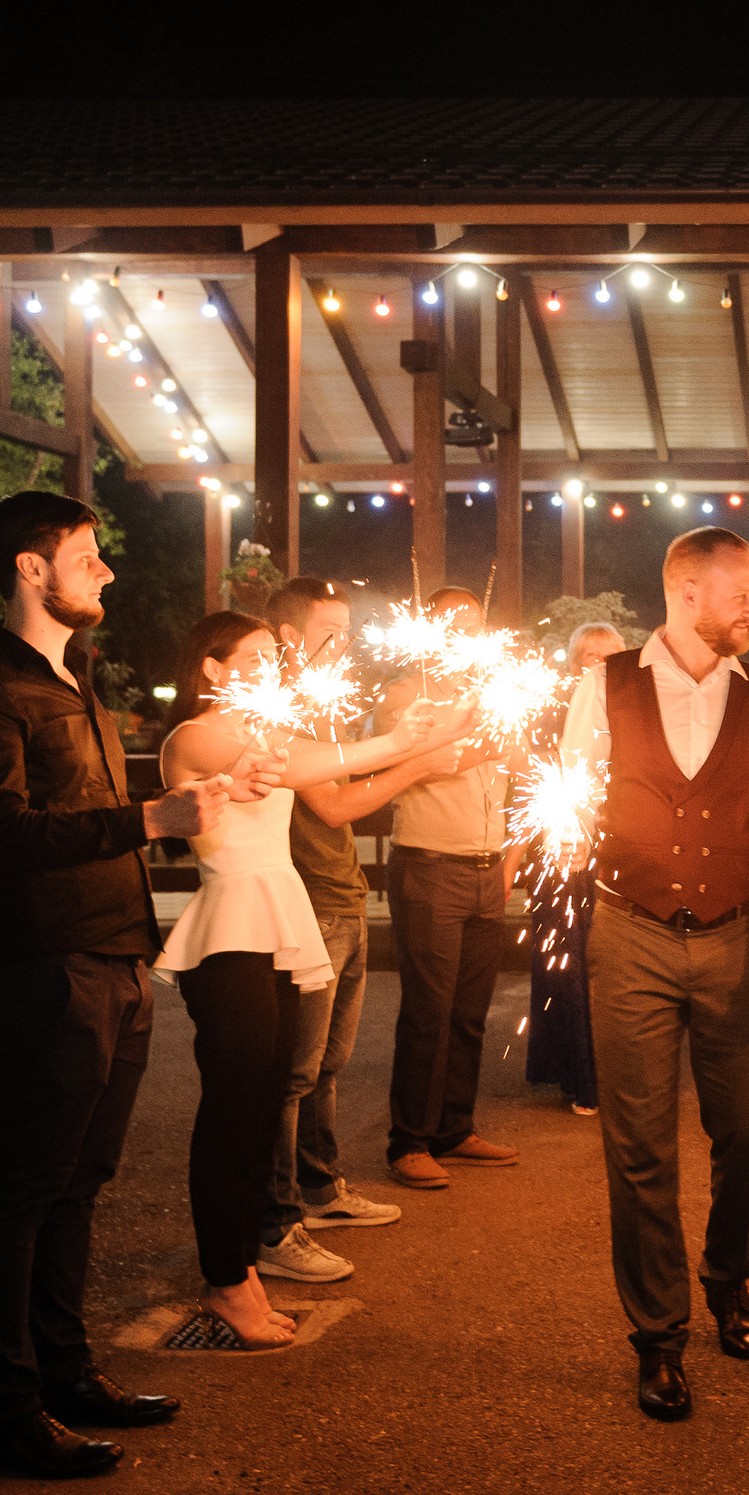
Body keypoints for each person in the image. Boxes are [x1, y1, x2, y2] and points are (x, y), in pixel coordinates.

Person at [0, 491, 230, 1478]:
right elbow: (6, 834)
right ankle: (8, 1415)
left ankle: (65, 1374)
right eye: (87, 553)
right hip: (48, 967)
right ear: (31, 566)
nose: (106, 569)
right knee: (22, 1192)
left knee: (79, 1186)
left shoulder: (80, 682)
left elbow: (96, 818)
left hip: (118, 959)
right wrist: (149, 819)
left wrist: (188, 810)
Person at [555, 528, 749, 1422]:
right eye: (742, 593)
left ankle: (728, 1281)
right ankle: (658, 1336)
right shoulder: (604, 684)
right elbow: (571, 801)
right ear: (688, 592)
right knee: (639, 1146)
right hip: (629, 935)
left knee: (745, 1131)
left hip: (741, 940)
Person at [154, 612, 444, 1348]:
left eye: (271, 656)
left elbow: (312, 771)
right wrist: (399, 741)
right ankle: (227, 1280)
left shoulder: (263, 731)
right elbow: (297, 766)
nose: (271, 666)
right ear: (212, 668)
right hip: (232, 930)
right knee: (234, 1113)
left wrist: (423, 734)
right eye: (253, 656)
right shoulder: (195, 736)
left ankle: (245, 1266)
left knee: (263, 1109)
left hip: (280, 920)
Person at [255, 577, 471, 1283]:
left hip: (343, 897)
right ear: (289, 637)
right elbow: (334, 807)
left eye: (349, 631)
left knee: (327, 1065)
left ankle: (320, 1190)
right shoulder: (276, 713)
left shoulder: (326, 706)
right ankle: (276, 1222)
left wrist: (425, 742)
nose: (343, 646)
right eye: (331, 632)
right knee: (294, 1071)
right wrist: (417, 762)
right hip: (307, 902)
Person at [372, 587, 526, 1190]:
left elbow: (520, 773)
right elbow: (413, 763)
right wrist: (486, 738)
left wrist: (510, 860)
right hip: (431, 867)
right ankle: (408, 1142)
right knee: (428, 1014)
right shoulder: (405, 697)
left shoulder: (495, 692)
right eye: (453, 622)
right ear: (428, 628)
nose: (467, 632)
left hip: (487, 869)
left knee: (469, 1013)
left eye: (475, 622)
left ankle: (454, 1129)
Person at [526, 621, 625, 1116]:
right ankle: (578, 1075)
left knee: (611, 967)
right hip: (563, 851)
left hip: (615, 851)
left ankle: (612, 1074)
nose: (602, 667)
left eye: (612, 658)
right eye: (592, 657)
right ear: (574, 663)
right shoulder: (551, 713)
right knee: (567, 965)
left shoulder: (631, 710)